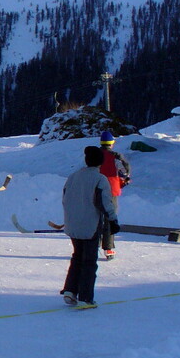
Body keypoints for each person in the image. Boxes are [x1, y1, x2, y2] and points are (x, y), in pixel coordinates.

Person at [60, 146, 119, 309]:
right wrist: (113, 220)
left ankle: (70, 290)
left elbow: (65, 199)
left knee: (77, 256)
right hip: (90, 225)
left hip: (73, 224)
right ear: (100, 162)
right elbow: (105, 203)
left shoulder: (73, 177)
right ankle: (85, 297)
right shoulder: (100, 179)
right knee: (89, 261)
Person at [98, 131, 131, 259]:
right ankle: (108, 248)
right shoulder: (116, 156)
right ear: (112, 143)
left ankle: (93, 243)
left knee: (95, 217)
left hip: (95, 188)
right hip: (111, 190)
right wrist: (125, 179)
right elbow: (124, 170)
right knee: (109, 218)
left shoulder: (95, 155)